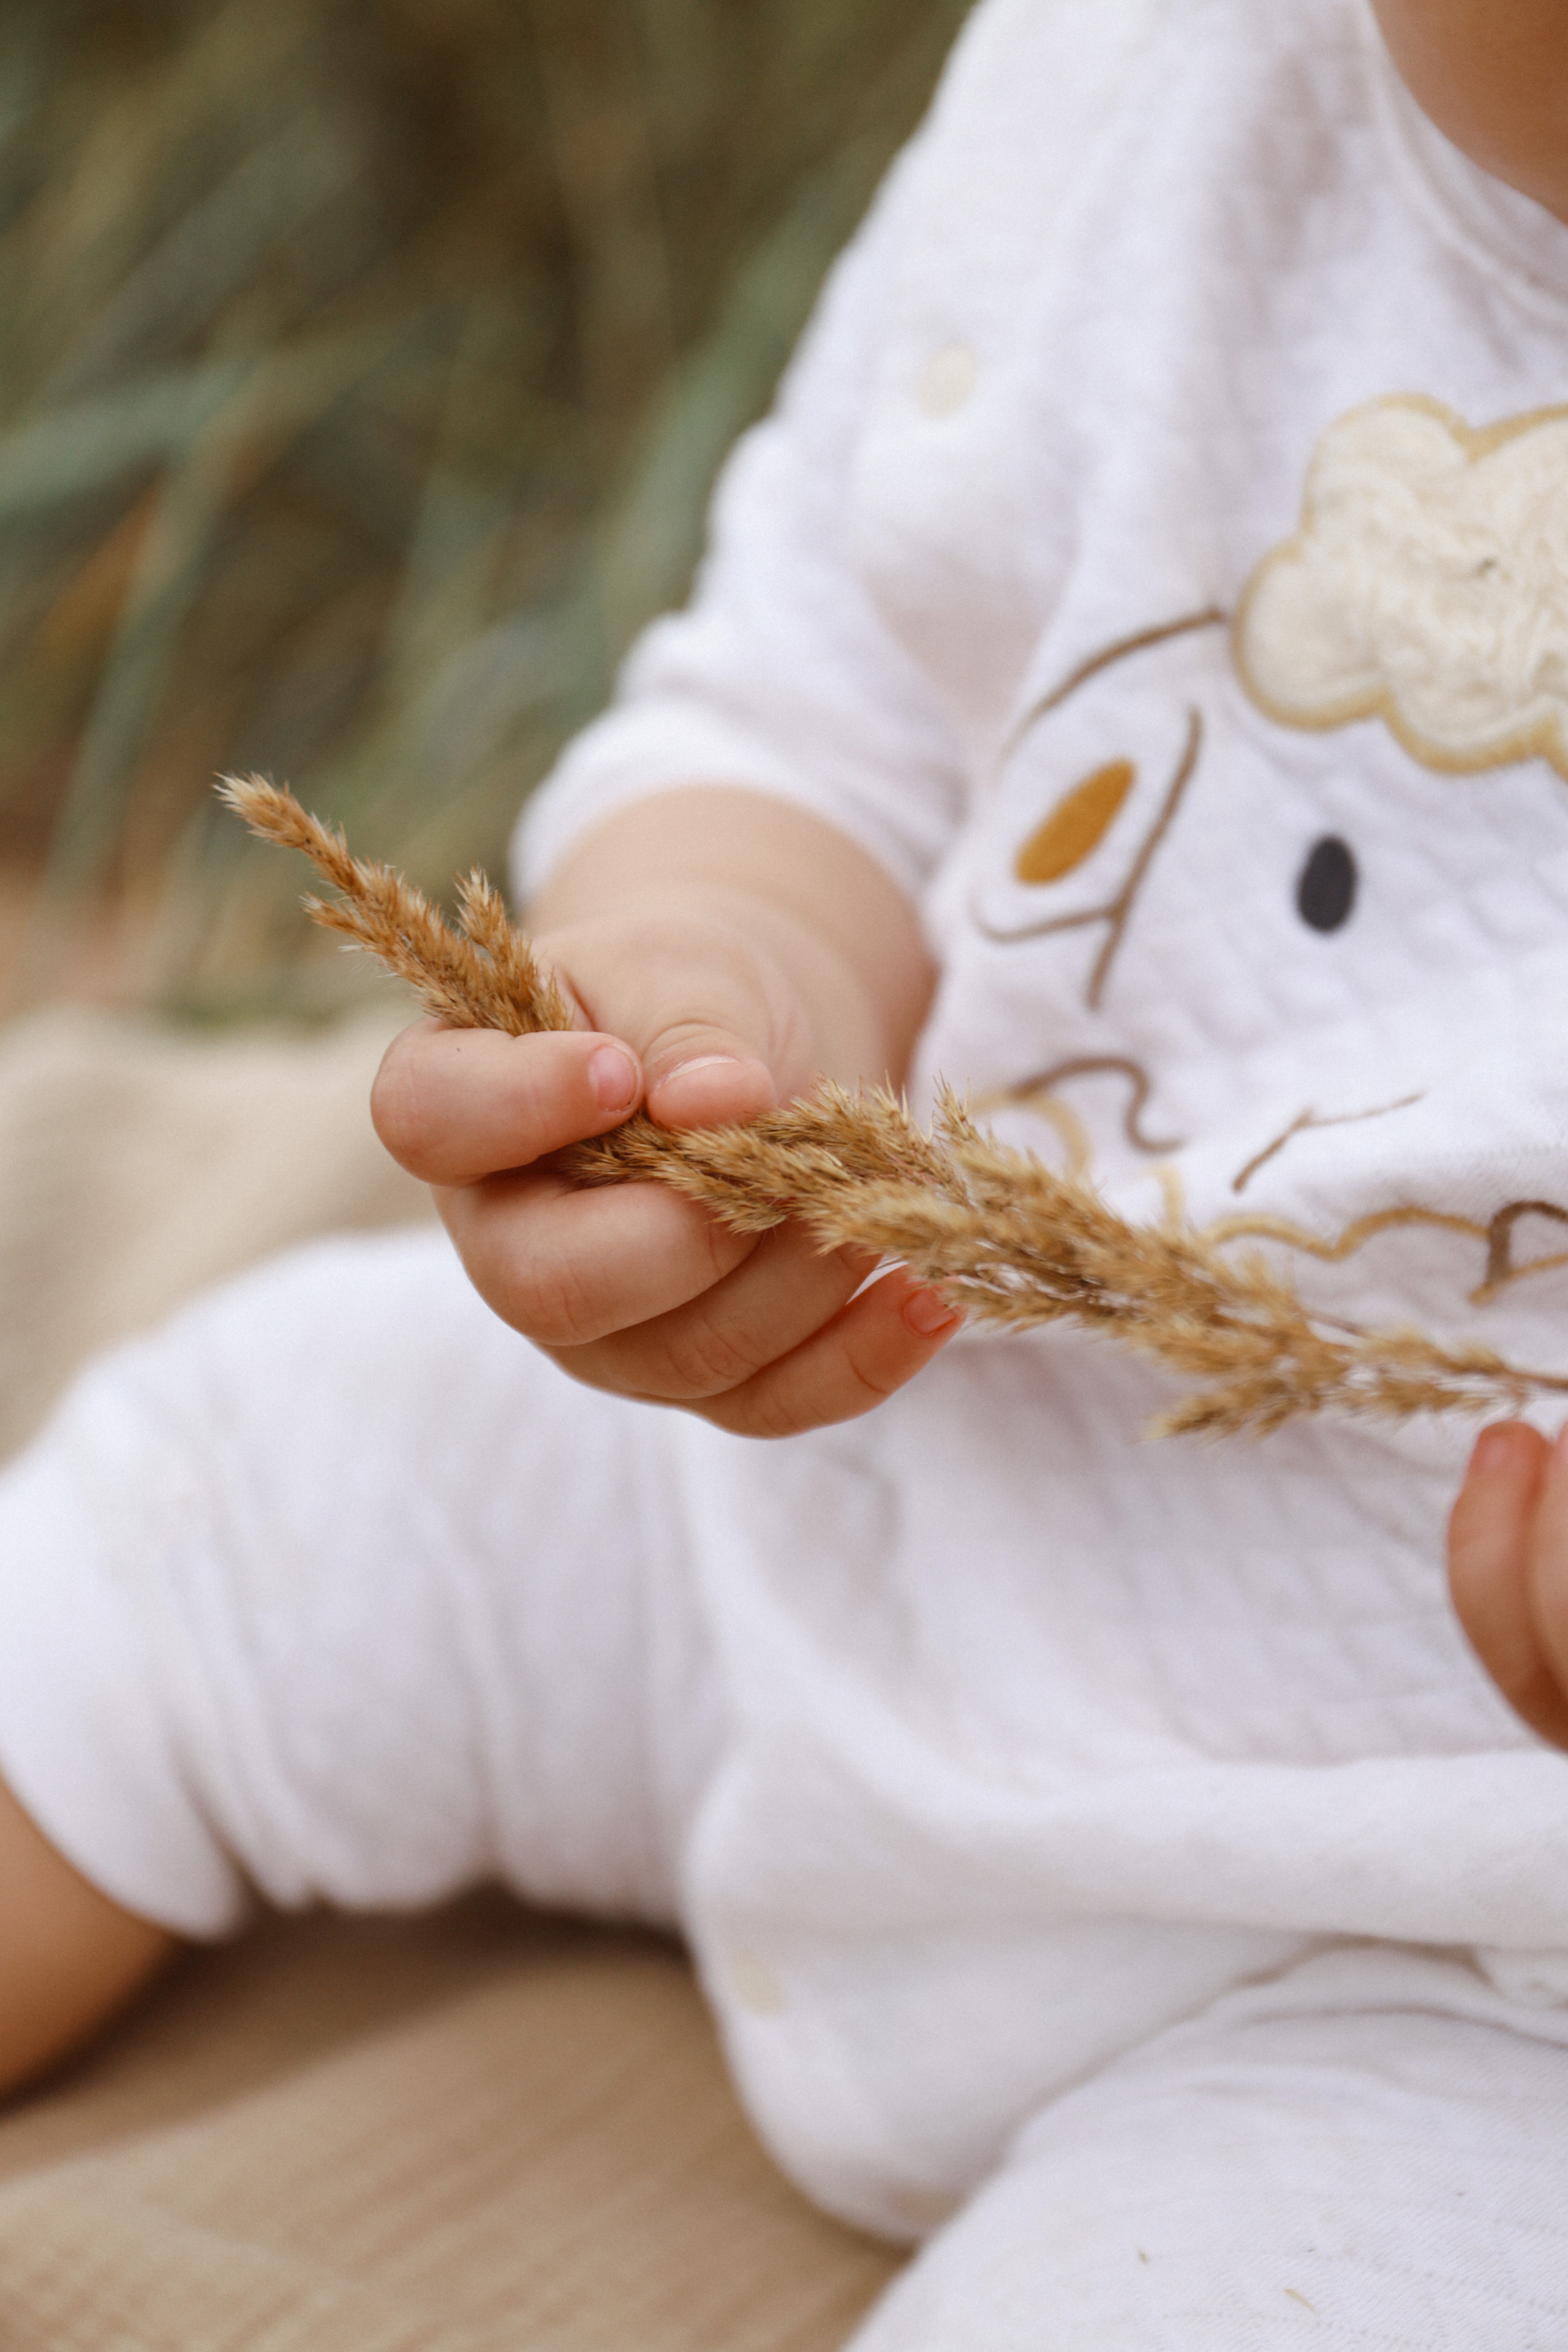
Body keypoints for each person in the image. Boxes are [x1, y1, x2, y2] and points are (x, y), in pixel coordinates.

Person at [7, 0, 1568, 2338]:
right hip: (843, 1480)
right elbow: (815, 699)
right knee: (215, 1503)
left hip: (1466, 1952)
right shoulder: (1149, 80)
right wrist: (722, 984)